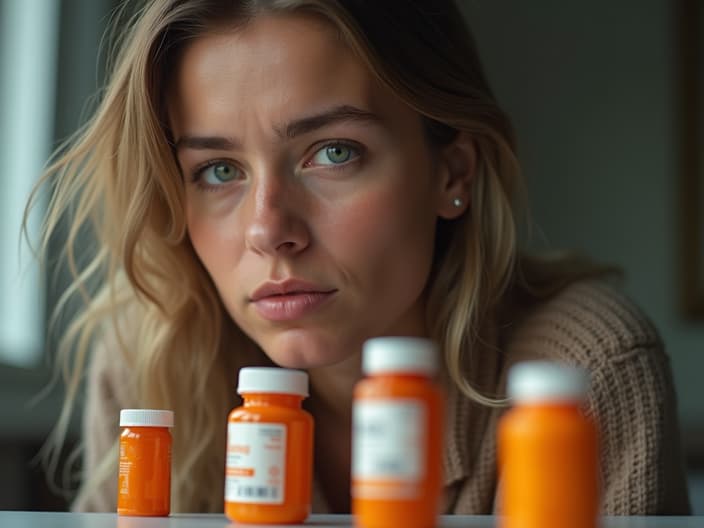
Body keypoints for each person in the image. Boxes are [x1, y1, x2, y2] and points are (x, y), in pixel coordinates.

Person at [29, 0, 690, 516]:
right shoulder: (152, 353)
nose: (269, 230)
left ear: (452, 172)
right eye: (218, 169)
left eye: (334, 152)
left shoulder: (581, 377)